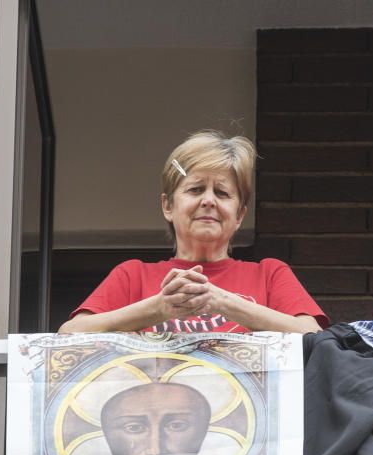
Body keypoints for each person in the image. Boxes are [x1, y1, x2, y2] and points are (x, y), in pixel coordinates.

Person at [59, 130, 327, 335]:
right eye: (196, 189)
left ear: (240, 215)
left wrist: (223, 302)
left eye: (222, 193)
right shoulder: (133, 275)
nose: (209, 200)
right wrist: (158, 308)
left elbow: (314, 335)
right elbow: (68, 335)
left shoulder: (269, 274)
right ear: (168, 206)